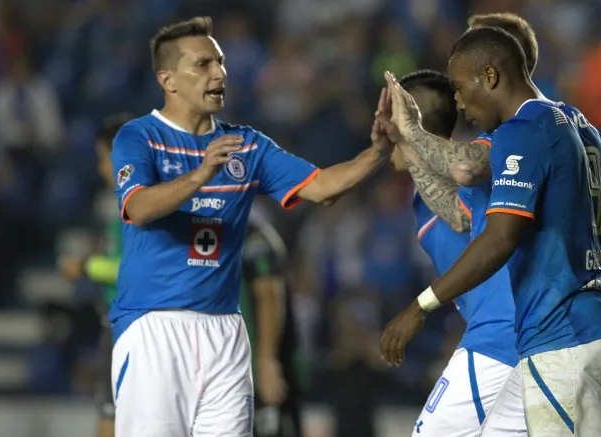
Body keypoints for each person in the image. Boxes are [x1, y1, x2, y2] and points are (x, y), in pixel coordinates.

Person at [109, 16, 391, 437]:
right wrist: (199, 175)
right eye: (203, 64)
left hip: (225, 329)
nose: (219, 73)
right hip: (154, 327)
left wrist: (379, 150)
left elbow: (323, 188)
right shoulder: (139, 137)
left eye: (220, 62)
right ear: (167, 79)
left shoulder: (248, 145)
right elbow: (140, 207)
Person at [380, 27, 601, 436]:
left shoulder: (522, 132)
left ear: (489, 76)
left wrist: (420, 307)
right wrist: (594, 287)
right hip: (589, 327)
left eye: (461, 88)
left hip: (560, 336)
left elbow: (500, 238)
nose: (460, 103)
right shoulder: (581, 126)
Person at [385, 69, 525, 436]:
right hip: (508, 339)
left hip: (500, 338)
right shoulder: (422, 193)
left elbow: (461, 219)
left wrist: (408, 139)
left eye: (387, 116)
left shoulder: (474, 173)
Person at [57, 113, 131, 437]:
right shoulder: (123, 204)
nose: (101, 168)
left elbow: (137, 269)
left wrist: (86, 267)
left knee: (112, 425)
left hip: (132, 331)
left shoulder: (143, 205)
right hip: (118, 326)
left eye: (104, 159)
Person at [240, 207, 303, 437]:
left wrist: (267, 361)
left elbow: (269, 292)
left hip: (258, 363)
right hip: (238, 364)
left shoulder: (251, 232)